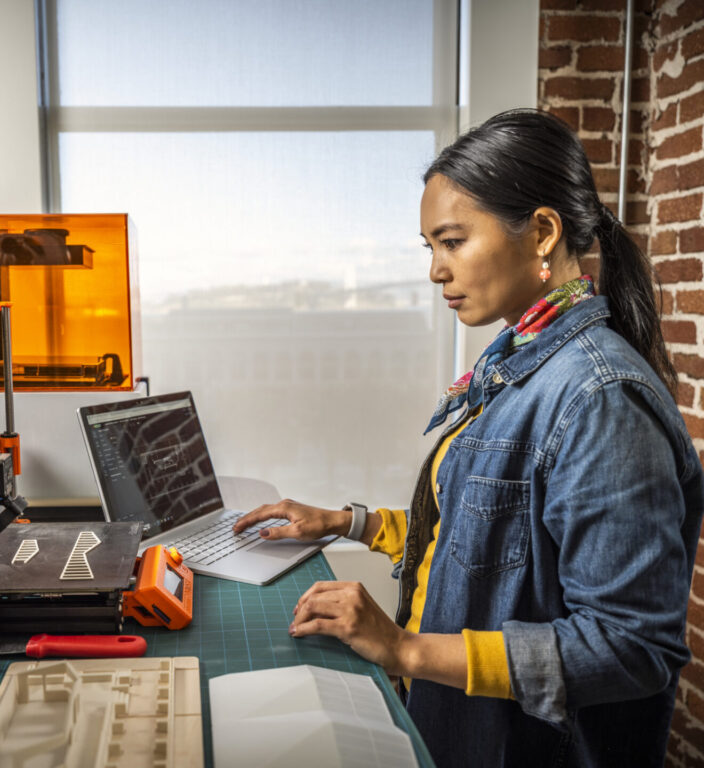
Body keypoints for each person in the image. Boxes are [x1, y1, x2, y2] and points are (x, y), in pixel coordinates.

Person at [233, 109, 704, 768]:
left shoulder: (601, 400)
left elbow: (628, 649)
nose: (435, 270)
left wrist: (404, 649)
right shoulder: (514, 361)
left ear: (541, 232)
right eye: (430, 247)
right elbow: (481, 537)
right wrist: (345, 523)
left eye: (452, 241)